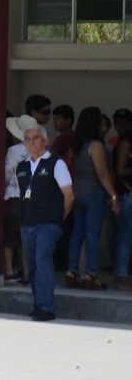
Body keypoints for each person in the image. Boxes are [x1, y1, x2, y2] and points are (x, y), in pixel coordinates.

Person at [11, 115, 74, 321]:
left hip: (48, 224)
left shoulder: (56, 164)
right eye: (27, 139)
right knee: (33, 266)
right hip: (27, 223)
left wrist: (58, 220)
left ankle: (47, 307)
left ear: (45, 140)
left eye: (36, 138)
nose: (31, 142)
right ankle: (39, 304)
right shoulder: (21, 167)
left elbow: (69, 195)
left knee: (43, 261)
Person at [66, 107, 121, 290]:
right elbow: (102, 172)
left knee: (77, 233)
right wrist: (113, 195)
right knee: (92, 235)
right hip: (93, 193)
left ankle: (71, 272)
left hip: (78, 191)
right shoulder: (96, 146)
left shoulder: (77, 143)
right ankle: (91, 274)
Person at [3, 119, 31, 283]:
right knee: (24, 238)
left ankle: (8, 272)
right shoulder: (37, 149)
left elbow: (7, 173)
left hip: (13, 195)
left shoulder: (15, 150)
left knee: (8, 237)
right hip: (30, 197)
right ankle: (26, 272)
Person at [113, 130, 132, 291]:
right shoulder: (126, 143)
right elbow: (120, 170)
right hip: (127, 196)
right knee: (125, 237)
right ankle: (122, 276)